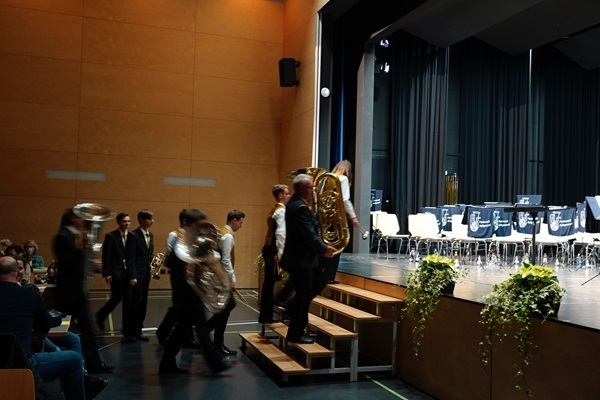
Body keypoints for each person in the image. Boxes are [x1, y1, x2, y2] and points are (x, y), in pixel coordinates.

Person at [0, 256, 87, 399]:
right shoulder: (30, 296)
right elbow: (45, 326)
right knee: (75, 358)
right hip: (25, 368)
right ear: (19, 273)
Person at [158, 208, 232, 375]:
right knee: (200, 328)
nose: (201, 228)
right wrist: (189, 263)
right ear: (188, 224)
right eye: (198, 225)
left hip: (193, 291)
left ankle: (166, 364)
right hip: (185, 292)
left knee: (181, 329)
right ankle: (215, 362)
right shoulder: (180, 241)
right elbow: (170, 262)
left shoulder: (197, 240)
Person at [53, 207, 113, 374]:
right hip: (67, 293)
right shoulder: (62, 237)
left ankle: (94, 364)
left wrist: (90, 263)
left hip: (78, 292)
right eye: (81, 217)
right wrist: (84, 252)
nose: (84, 221)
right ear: (73, 219)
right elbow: (67, 263)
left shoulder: (77, 237)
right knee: (64, 331)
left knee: (87, 330)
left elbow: (78, 263)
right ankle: (64, 363)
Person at [281, 174, 335, 344]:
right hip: (302, 260)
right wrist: (324, 248)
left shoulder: (297, 204)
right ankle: (296, 331)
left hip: (301, 259)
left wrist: (322, 219)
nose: (313, 190)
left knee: (309, 290)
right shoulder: (300, 207)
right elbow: (309, 235)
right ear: (302, 189)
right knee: (304, 296)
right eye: (311, 187)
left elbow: (309, 227)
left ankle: (291, 308)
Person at [156, 209, 200, 348]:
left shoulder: (191, 235)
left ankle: (188, 339)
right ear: (185, 221)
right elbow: (169, 260)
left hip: (190, 275)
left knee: (188, 308)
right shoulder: (174, 235)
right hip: (178, 275)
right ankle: (162, 333)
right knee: (178, 307)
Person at [210, 209, 245, 356]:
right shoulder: (227, 236)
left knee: (226, 308)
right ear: (234, 220)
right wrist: (232, 279)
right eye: (240, 223)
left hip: (219, 277)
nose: (240, 226)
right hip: (222, 278)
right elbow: (226, 260)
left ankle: (209, 334)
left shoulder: (222, 232)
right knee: (225, 310)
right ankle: (216, 341)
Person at [95, 213, 135, 334]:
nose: (127, 223)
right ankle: (101, 315)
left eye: (128, 221)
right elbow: (106, 256)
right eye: (124, 221)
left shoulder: (132, 236)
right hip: (116, 272)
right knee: (117, 297)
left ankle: (126, 327)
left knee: (128, 300)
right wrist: (107, 273)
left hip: (128, 273)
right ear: (118, 222)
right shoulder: (111, 236)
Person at [323, 159, 361, 284]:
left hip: (325, 217)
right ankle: (329, 276)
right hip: (336, 219)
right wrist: (353, 216)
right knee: (337, 246)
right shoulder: (343, 179)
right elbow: (345, 200)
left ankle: (323, 274)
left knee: (327, 245)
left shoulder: (328, 178)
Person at [258, 184, 290, 323]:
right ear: (280, 196)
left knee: (268, 283)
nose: (289, 196)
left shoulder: (274, 209)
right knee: (269, 283)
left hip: (269, 248)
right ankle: (268, 314)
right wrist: (281, 251)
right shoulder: (281, 211)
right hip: (274, 249)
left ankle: (266, 315)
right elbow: (281, 234)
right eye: (287, 193)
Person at [126, 209, 154, 343]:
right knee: (135, 305)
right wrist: (133, 276)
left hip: (146, 274)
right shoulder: (133, 235)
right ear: (142, 220)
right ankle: (130, 333)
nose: (152, 221)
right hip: (137, 275)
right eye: (149, 219)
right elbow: (130, 257)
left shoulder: (150, 235)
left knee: (143, 304)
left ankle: (138, 331)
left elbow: (149, 254)